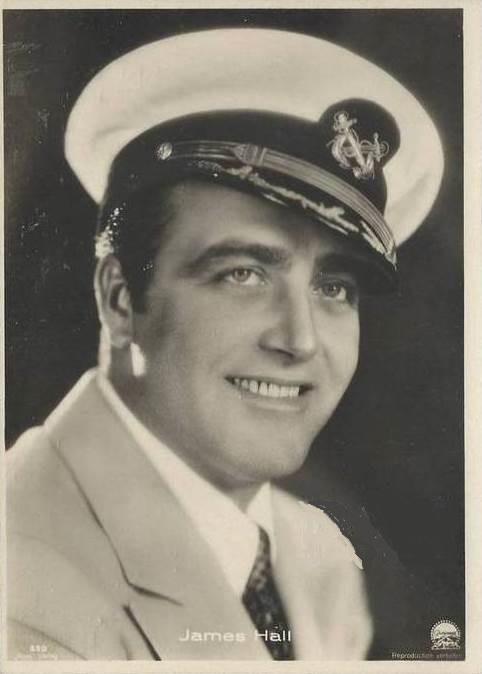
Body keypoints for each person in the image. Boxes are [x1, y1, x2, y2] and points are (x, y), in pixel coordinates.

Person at [6, 27, 443, 661]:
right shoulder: (25, 588)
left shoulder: (319, 559)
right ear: (120, 299)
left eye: (334, 288)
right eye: (243, 274)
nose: (300, 340)